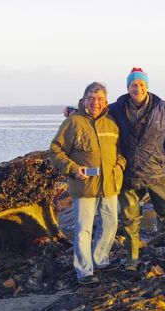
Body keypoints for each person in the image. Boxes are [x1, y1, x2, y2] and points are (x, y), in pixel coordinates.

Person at [109, 67, 165, 270]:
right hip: (129, 173)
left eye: (141, 84)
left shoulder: (162, 107)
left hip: (158, 172)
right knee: (129, 218)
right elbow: (93, 112)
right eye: (134, 85)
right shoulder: (117, 108)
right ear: (128, 87)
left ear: (147, 86)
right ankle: (131, 259)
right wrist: (74, 110)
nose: (138, 88)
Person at [49, 82, 126, 284]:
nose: (95, 102)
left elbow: (121, 151)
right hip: (84, 185)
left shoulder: (111, 121)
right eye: (91, 98)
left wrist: (120, 166)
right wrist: (72, 168)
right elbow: (55, 151)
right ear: (83, 100)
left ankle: (100, 258)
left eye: (100, 98)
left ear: (105, 101)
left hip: (109, 184)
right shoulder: (73, 122)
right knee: (84, 228)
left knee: (110, 224)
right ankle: (84, 271)